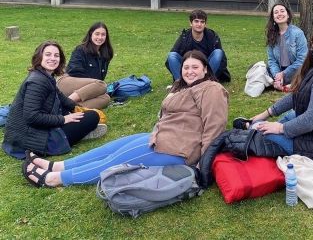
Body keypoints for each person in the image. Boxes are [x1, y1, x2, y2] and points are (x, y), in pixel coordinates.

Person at [22, 50, 229, 188]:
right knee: (112, 148)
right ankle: (58, 165)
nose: (189, 71)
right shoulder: (183, 85)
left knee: (116, 161)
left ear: (205, 69)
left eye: (195, 67)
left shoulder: (211, 89)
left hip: (179, 150)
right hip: (163, 137)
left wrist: (203, 164)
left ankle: (54, 179)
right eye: (186, 67)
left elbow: (215, 127)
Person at [234, 24, 313, 169]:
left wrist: (280, 128)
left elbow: (311, 120)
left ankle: (252, 127)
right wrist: (265, 114)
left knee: (262, 131)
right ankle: (255, 126)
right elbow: (296, 95)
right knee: (288, 116)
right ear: (311, 45)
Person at [3, 41, 102, 160]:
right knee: (92, 117)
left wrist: (77, 109)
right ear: (40, 57)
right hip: (32, 140)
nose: (53, 58)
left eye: (56, 55)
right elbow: (31, 116)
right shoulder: (37, 82)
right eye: (48, 54)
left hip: (30, 133)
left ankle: (80, 130)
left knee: (83, 113)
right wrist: (64, 119)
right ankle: (82, 133)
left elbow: (62, 98)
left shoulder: (45, 76)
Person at [57, 22, 113, 109]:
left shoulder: (106, 54)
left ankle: (68, 109)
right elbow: (73, 71)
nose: (100, 37)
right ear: (91, 34)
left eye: (103, 35)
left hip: (88, 87)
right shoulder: (81, 49)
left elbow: (100, 78)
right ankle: (64, 103)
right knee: (102, 85)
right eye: (97, 34)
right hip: (66, 81)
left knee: (106, 98)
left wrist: (93, 89)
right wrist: (91, 85)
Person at [165, 9, 231, 83]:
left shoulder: (212, 36)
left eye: (202, 22)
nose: (199, 24)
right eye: (196, 21)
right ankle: (181, 83)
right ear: (191, 23)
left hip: (206, 68)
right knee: (172, 55)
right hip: (190, 67)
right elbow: (172, 58)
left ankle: (206, 82)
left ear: (205, 24)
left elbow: (221, 61)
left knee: (218, 52)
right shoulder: (184, 37)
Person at [266, 3, 308, 92]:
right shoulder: (272, 35)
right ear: (273, 17)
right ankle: (280, 84)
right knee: (258, 68)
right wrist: (277, 75)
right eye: (276, 12)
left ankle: (288, 84)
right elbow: (272, 60)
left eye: (282, 11)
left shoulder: (298, 33)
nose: (279, 14)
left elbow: (302, 59)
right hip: (279, 71)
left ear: (288, 15)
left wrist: (284, 74)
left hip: (296, 71)